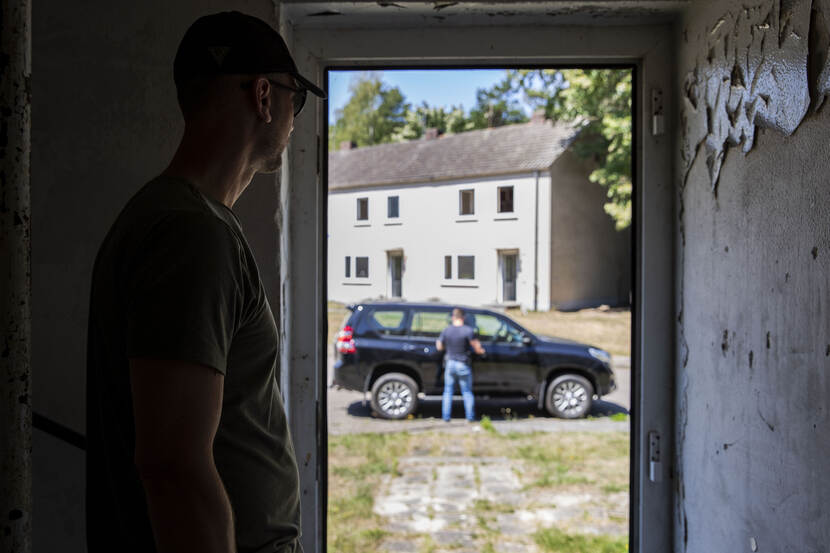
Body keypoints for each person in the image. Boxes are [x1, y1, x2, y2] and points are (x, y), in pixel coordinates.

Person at [85, 12, 325, 553]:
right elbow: (173, 464)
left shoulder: (173, 219)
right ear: (263, 96)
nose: (294, 120)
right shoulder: (191, 234)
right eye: (296, 100)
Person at [436, 308, 486, 422]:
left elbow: (439, 346)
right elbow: (477, 348)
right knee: (467, 392)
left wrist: (446, 347)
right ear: (463, 317)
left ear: (453, 317)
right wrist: (482, 351)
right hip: (463, 365)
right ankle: (470, 417)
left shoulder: (446, 330)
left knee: (448, 392)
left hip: (450, 363)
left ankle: (446, 417)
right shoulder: (468, 330)